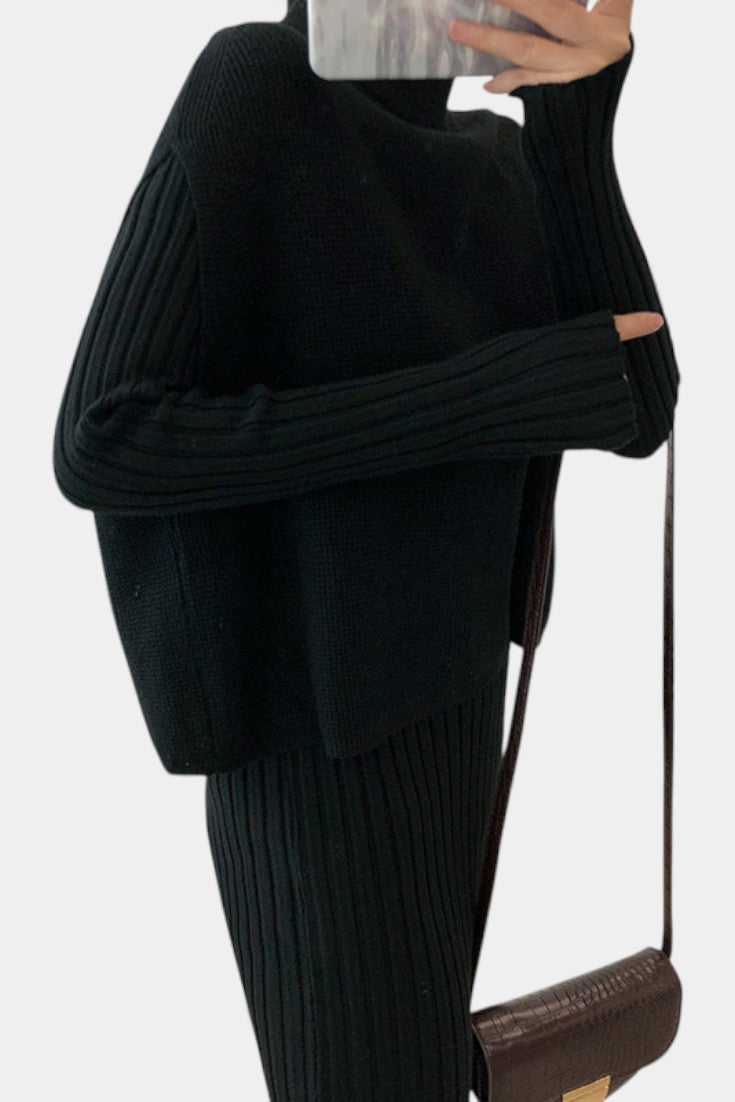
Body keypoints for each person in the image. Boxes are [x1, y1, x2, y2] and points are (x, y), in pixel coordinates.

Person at [52, 1, 679, 1097]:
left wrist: (576, 118)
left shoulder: (491, 156)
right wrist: (490, 397)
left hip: (451, 699)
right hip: (312, 736)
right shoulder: (259, 85)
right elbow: (104, 439)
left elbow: (637, 398)